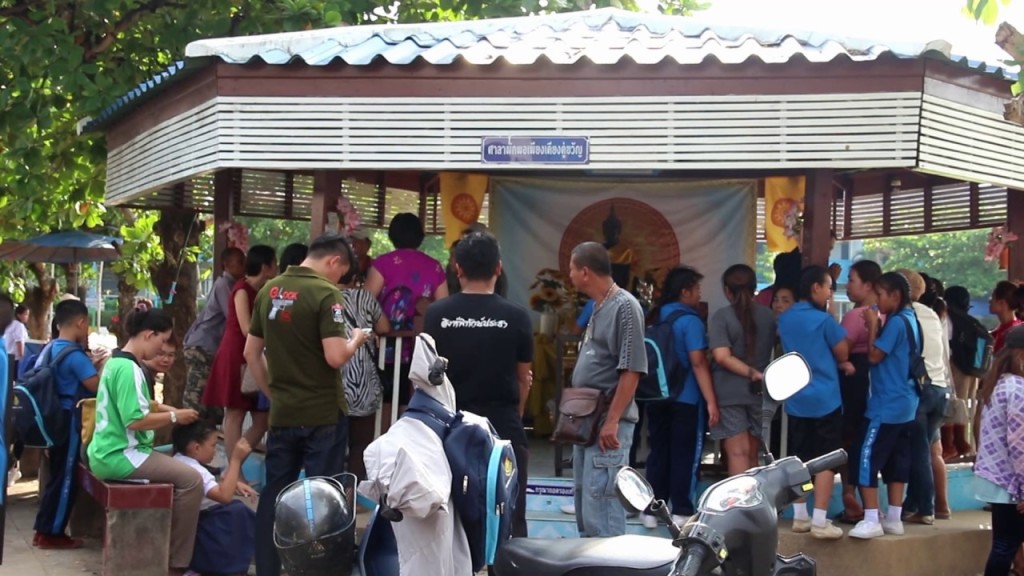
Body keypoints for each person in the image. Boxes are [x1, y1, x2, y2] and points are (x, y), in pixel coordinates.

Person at [244, 233, 372, 576]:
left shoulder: (268, 291)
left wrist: (273, 394)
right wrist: (356, 338)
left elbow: (251, 354)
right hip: (322, 414)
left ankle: (268, 568)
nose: (338, 281)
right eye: (340, 273)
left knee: (274, 493)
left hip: (284, 413)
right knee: (323, 499)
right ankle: (320, 569)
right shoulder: (324, 292)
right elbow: (335, 356)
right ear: (334, 261)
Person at [424, 231, 534, 537]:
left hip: (450, 431)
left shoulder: (436, 315)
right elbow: (523, 378)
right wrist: (516, 413)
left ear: (457, 268)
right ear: (498, 268)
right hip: (503, 430)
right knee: (509, 517)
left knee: (451, 518)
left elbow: (428, 377)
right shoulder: (517, 317)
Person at [86, 308, 202, 576]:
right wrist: (174, 416)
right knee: (192, 480)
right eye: (162, 341)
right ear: (150, 335)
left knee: (176, 460)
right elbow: (134, 420)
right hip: (121, 455)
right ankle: (176, 563)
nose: (163, 349)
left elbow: (141, 404)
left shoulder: (115, 361)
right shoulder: (130, 369)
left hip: (105, 452)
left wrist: (172, 411)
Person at [566, 242, 647, 537]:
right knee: (587, 501)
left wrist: (612, 420)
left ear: (585, 271)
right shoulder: (599, 306)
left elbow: (632, 370)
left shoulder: (625, 307)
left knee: (602, 501)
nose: (570, 275)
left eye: (573, 269)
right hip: (588, 420)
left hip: (607, 422)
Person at [776, 265, 853, 540]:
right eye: (829, 286)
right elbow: (842, 349)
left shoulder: (785, 318)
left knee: (800, 460)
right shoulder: (824, 320)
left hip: (796, 396)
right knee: (825, 460)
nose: (831, 291)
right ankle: (820, 518)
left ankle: (800, 515)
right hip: (825, 398)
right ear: (815, 288)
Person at [641, 266, 719, 526]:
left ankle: (652, 510)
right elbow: (698, 363)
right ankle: (682, 509)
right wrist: (710, 401)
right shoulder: (691, 321)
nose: (699, 294)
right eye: (696, 289)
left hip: (657, 396)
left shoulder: (655, 316)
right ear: (685, 292)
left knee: (658, 451)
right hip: (686, 398)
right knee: (685, 453)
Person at [848, 272, 920, 540]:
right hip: (906, 402)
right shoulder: (912, 319)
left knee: (864, 456)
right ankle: (894, 516)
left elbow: (875, 356)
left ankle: (870, 518)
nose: (876, 300)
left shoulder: (896, 324)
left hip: (885, 403)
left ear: (895, 296)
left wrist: (873, 326)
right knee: (897, 457)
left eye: (880, 295)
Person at [29, 299, 99, 549]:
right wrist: (99, 365)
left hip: (49, 421)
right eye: (87, 323)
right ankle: (53, 534)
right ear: (80, 322)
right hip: (69, 422)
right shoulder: (75, 355)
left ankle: (43, 529)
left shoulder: (49, 349)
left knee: (55, 478)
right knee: (66, 479)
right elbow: (96, 386)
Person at [203, 245, 277, 467]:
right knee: (235, 414)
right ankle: (235, 471)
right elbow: (247, 329)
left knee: (261, 420)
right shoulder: (242, 289)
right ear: (265, 267)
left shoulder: (263, 290)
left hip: (254, 354)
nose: (278, 268)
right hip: (236, 354)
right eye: (275, 263)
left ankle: (235, 466)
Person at [364, 213, 448, 408]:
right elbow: (444, 308)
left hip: (385, 348)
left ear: (392, 235)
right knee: (416, 402)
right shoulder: (434, 266)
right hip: (423, 351)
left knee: (385, 402)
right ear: (420, 236)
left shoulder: (383, 263)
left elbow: (366, 301)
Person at [708, 264, 775, 476]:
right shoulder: (768, 316)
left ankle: (739, 507)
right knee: (754, 453)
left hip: (729, 394)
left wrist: (749, 372)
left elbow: (722, 356)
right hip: (760, 392)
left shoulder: (721, 317)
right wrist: (756, 374)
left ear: (727, 290)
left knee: (737, 453)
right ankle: (756, 506)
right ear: (755, 289)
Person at [901, 270, 953, 525]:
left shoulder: (904, 316)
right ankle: (912, 503)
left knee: (919, 451)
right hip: (940, 390)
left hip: (920, 390)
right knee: (927, 449)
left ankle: (926, 508)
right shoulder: (931, 313)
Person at [172, 423, 257, 576]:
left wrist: (234, 483)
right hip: (202, 525)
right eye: (212, 445)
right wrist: (236, 460)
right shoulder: (196, 471)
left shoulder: (178, 460)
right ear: (196, 448)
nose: (215, 451)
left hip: (188, 524)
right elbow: (224, 496)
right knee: (237, 511)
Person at [973, 326, 1024, 576]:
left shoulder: (998, 385)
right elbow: (1020, 444)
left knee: (1003, 544)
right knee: (1006, 545)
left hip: (996, 479)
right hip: (1013, 482)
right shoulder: (1019, 390)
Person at [836, 259, 882, 524]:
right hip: (879, 385)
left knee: (849, 438)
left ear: (868, 285)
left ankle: (848, 492)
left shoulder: (856, 315)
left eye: (852, 279)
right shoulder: (889, 315)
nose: (848, 285)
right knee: (870, 441)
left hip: (854, 381)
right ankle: (872, 506)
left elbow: (841, 349)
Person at [339, 263, 390, 480]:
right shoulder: (366, 298)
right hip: (362, 380)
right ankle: (354, 496)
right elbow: (385, 327)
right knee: (360, 443)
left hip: (334, 379)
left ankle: (332, 494)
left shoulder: (322, 296)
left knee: (331, 443)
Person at [182, 247, 246, 418]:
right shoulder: (225, 285)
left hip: (210, 346)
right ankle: (189, 437)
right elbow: (233, 316)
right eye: (240, 262)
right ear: (227, 265)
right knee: (196, 398)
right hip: (203, 346)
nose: (244, 266)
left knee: (211, 400)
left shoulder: (232, 285)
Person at [944, 285, 980, 459]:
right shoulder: (968, 320)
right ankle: (963, 444)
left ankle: (953, 445)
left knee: (953, 404)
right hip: (970, 368)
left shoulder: (948, 318)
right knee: (963, 404)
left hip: (955, 365)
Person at [991, 280, 1023, 353]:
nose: (990, 301)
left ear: (1002, 303)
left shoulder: (1012, 333)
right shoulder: (1002, 328)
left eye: (992, 298)